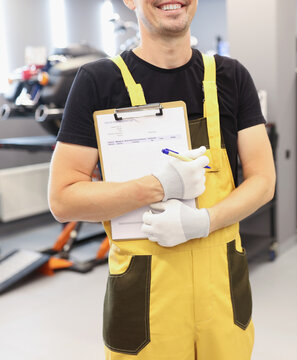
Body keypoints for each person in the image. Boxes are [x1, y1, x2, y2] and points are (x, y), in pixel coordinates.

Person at [47, 0, 276, 359]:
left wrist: (204, 222)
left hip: (222, 295)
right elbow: (63, 199)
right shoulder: (99, 82)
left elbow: (263, 180)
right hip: (146, 301)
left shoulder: (232, 76)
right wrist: (157, 186)